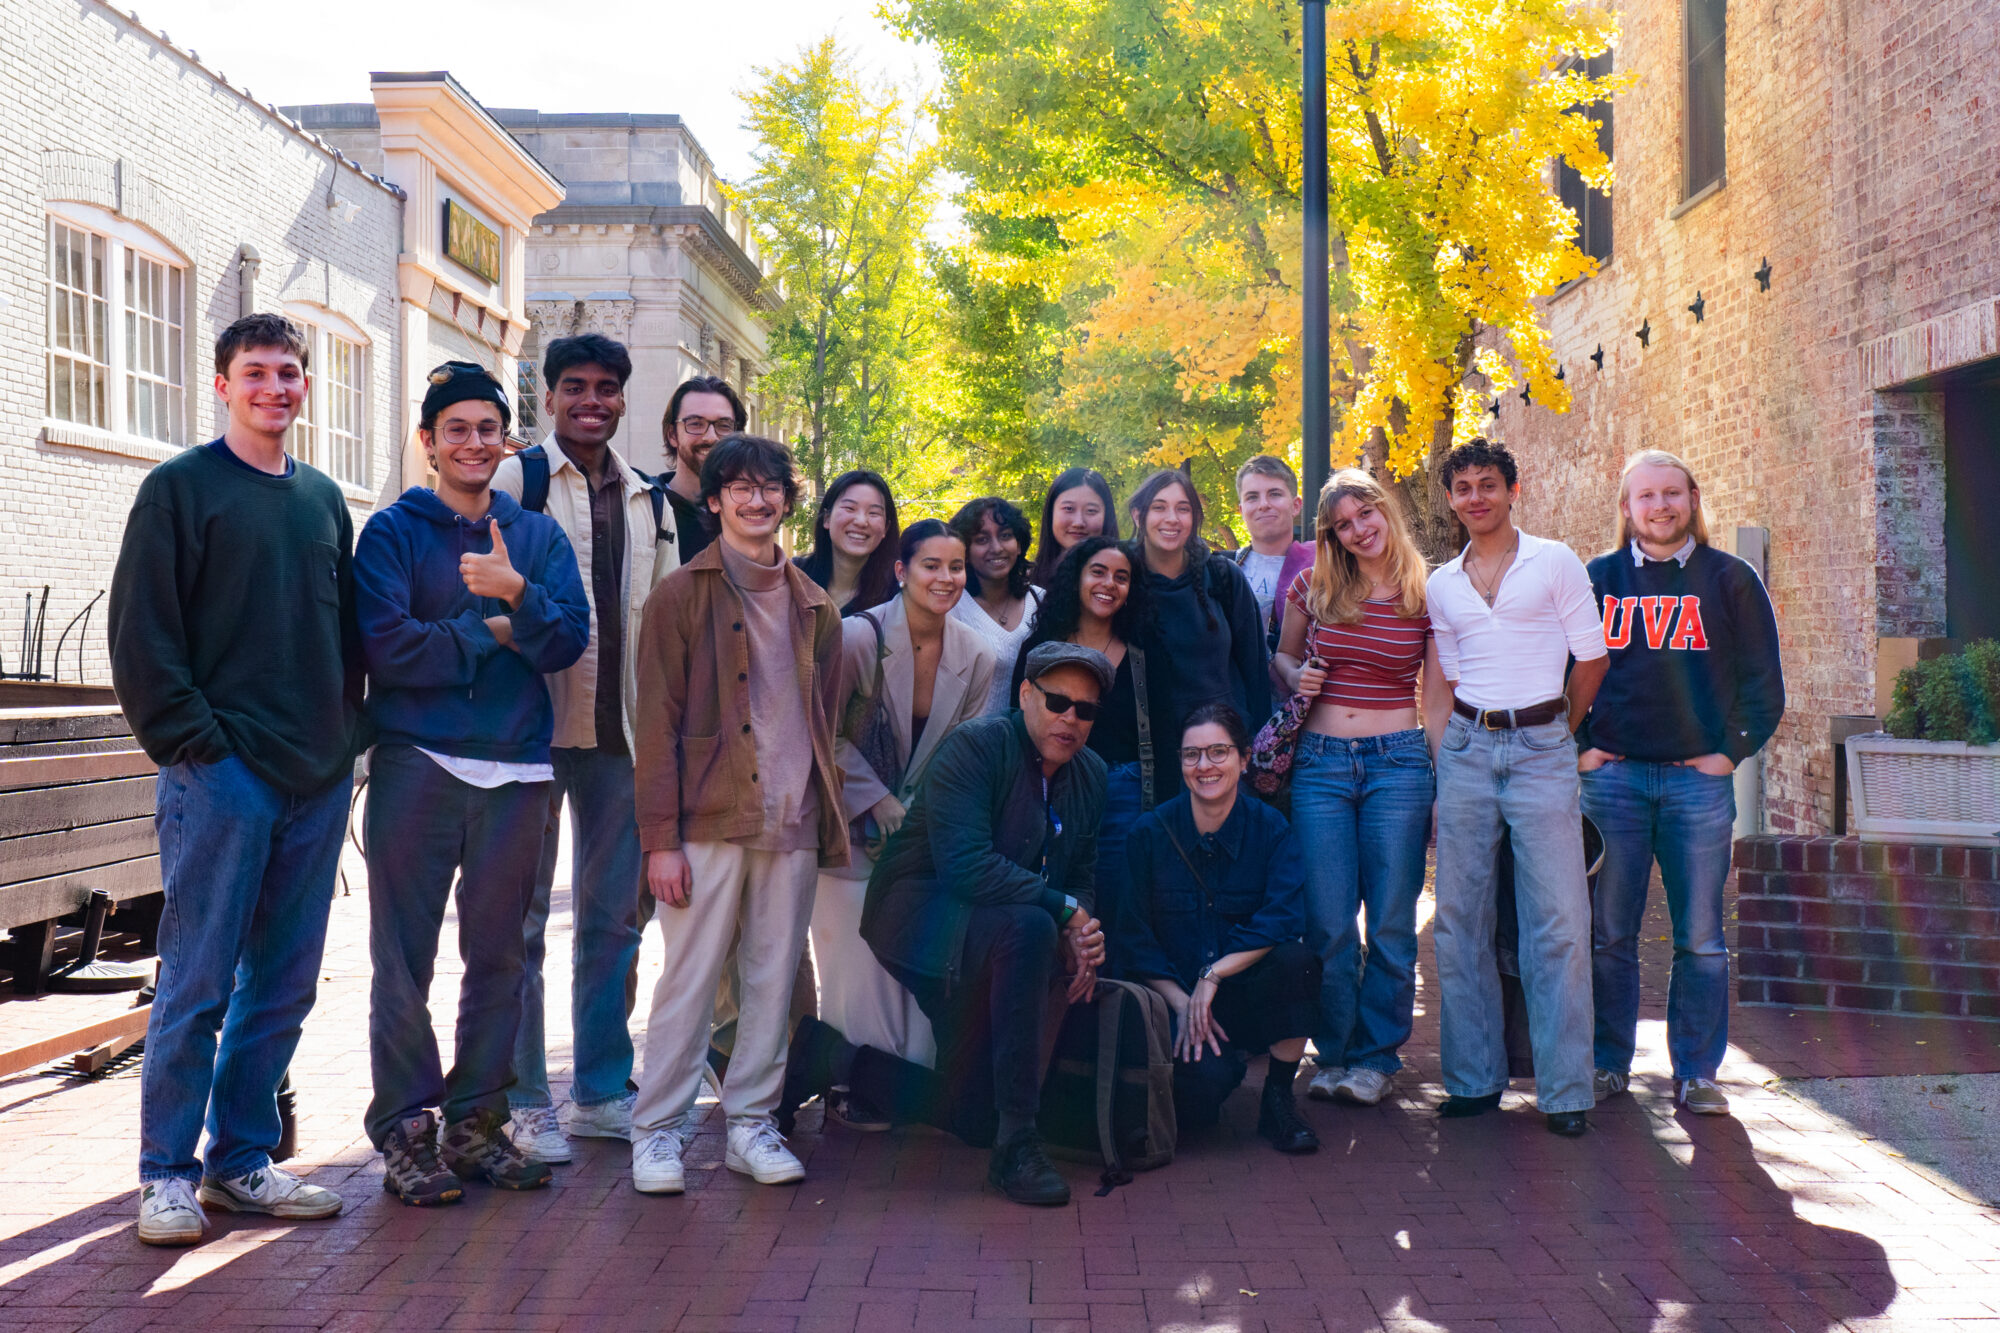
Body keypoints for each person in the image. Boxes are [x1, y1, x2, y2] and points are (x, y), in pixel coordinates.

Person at [109, 313, 364, 1246]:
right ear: (222, 385)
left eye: (290, 373)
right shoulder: (178, 490)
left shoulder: (323, 500)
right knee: (198, 978)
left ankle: (241, 1160)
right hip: (223, 776)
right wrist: (200, 747)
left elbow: (343, 635)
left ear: (305, 387)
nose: (275, 387)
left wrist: (348, 738)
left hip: (318, 774)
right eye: (255, 372)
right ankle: (165, 1173)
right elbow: (144, 635)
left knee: (285, 982)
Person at [354, 361, 591, 1204]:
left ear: (506, 439)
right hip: (419, 763)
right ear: (428, 441)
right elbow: (391, 651)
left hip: (519, 770)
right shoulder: (392, 533)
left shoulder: (535, 537)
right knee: (402, 961)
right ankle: (406, 1131)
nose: (473, 443)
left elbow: (567, 641)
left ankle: (475, 1124)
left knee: (499, 958)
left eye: (488, 429)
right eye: (456, 428)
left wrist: (518, 594)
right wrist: (491, 630)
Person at [784, 642, 1110, 1206]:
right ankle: (1018, 1145)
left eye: (1085, 710)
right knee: (1031, 928)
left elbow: (1081, 868)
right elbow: (966, 867)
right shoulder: (977, 746)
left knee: (975, 1114)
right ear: (1026, 695)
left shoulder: (1091, 773)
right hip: (918, 916)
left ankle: (829, 1056)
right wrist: (1061, 911)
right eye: (1058, 701)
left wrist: (1079, 930)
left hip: (996, 935)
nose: (1070, 718)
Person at [628, 434, 849, 1196]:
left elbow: (823, 719)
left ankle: (752, 1121)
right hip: (707, 821)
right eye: (741, 488)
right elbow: (653, 726)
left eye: (771, 489)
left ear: (789, 500)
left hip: (791, 820)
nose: (757, 501)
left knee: (772, 980)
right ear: (715, 498)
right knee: (687, 981)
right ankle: (657, 1130)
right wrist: (660, 840)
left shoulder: (818, 605)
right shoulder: (679, 596)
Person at [490, 334, 675, 1164]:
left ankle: (602, 1088)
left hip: (621, 736)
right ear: (551, 395)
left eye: (606, 387)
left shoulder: (650, 501)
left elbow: (664, 624)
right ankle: (525, 1099)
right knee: (520, 922)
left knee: (612, 922)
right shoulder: (517, 480)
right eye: (575, 387)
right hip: (531, 734)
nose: (591, 400)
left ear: (624, 399)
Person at [1579, 450, 1785, 1117]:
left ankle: (1697, 1071)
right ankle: (1608, 1061)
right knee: (1609, 932)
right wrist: (1580, 746)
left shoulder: (1730, 579)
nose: (1661, 506)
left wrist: (1732, 752)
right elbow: (1557, 671)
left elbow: (1763, 682)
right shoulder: (1596, 580)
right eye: (1647, 496)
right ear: (1626, 507)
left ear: (1693, 498)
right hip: (1614, 783)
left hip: (1698, 784)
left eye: (1672, 493)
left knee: (1700, 935)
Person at [1425, 439, 1609, 1137]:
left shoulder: (1554, 561)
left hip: (1540, 746)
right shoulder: (1444, 582)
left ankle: (1565, 1091)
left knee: (1558, 920)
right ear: (1451, 499)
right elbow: (1443, 675)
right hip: (1468, 747)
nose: (1477, 497)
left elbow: (1592, 657)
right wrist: (1445, 757)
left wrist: (1561, 727)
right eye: (1464, 487)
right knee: (1458, 919)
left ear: (1513, 489)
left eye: (1488, 485)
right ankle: (1473, 1080)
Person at [812, 519, 997, 1128]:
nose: (945, 579)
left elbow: (961, 750)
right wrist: (874, 798)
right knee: (853, 970)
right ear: (901, 571)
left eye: (956, 568)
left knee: (911, 968)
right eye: (931, 566)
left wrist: (922, 819)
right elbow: (821, 733)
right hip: (847, 827)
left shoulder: (977, 654)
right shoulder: (859, 637)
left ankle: (898, 1086)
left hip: (920, 838)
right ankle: (843, 1084)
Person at [1273, 470, 1448, 1107]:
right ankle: (1334, 1052)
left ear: (1385, 510)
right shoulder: (1315, 583)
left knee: (1394, 921)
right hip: (1319, 764)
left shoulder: (1426, 589)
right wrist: (1299, 678)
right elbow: (1281, 657)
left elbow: (1435, 695)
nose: (1358, 530)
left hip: (1399, 765)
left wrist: (1438, 782)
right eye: (1343, 525)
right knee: (1327, 922)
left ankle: (1376, 1056)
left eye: (1365, 514)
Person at [1117, 705, 1321, 1153]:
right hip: (1174, 1000)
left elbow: (1283, 917)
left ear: (1244, 759)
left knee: (1298, 962)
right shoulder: (1148, 834)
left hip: (1244, 995)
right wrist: (1184, 1001)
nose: (1204, 766)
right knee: (1197, 1104)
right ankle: (1214, 1071)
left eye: (1217, 752)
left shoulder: (1271, 829)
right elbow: (1133, 937)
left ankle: (1278, 1099)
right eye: (1192, 755)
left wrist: (1214, 976)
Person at [1011, 536, 1155, 935]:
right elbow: (1018, 720)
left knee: (1115, 908)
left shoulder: (1145, 651)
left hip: (1125, 794)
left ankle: (1113, 996)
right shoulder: (1040, 648)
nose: (1109, 583)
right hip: (1054, 788)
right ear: (1077, 578)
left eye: (1121, 577)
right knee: (1053, 904)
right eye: (1098, 572)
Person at [1127, 469, 1270, 797]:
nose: (1172, 518)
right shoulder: (1122, 579)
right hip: (1151, 756)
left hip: (1225, 750)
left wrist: (1255, 743)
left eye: (1183, 508)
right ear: (1139, 515)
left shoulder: (1222, 576)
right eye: (1159, 507)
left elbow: (1255, 669)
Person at [950, 496, 1045, 714]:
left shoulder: (1042, 601)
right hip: (965, 741)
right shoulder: (953, 606)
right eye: (982, 540)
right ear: (964, 552)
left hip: (1025, 742)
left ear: (1019, 544)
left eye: (1005, 536)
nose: (996, 548)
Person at [658, 375, 745, 565]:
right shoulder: (647, 508)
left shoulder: (748, 511)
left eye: (724, 426)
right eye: (695, 424)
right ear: (672, 434)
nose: (711, 437)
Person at [1232, 455, 1315, 649]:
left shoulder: (1324, 566)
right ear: (1241, 510)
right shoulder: (1223, 571)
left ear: (1296, 506)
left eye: (1274, 494)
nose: (1263, 504)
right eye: (1252, 497)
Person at [795, 469, 901, 614]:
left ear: (886, 528)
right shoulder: (794, 578)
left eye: (874, 513)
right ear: (827, 518)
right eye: (850, 508)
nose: (861, 521)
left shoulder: (897, 596)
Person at [1029, 467, 1120, 589]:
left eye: (1091, 511)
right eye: (1068, 509)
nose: (1079, 522)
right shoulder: (1024, 588)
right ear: (1051, 514)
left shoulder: (1126, 585)